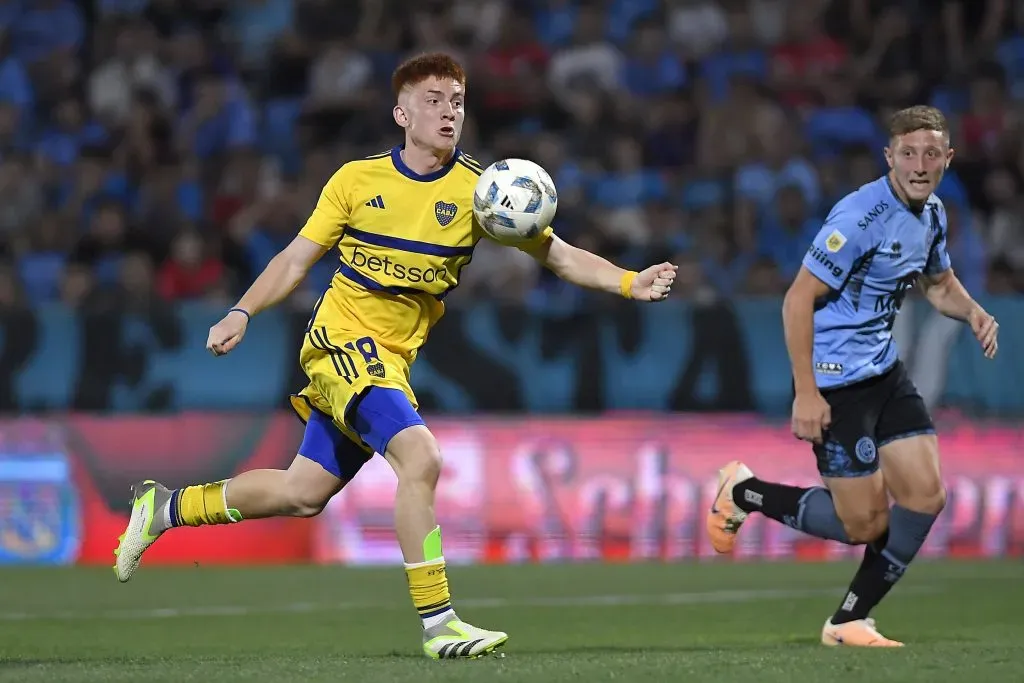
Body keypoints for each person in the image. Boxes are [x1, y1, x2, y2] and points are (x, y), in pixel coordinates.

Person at [112, 52, 678, 660]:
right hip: (338, 342)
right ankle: (440, 625)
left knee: (302, 493)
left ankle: (164, 508)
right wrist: (242, 310)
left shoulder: (482, 195)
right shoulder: (356, 181)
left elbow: (561, 256)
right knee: (421, 456)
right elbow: (294, 260)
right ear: (402, 113)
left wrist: (628, 281)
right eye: (434, 99)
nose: (448, 111)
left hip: (390, 363)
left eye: (457, 101)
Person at [705, 105, 999, 647]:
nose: (919, 163)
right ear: (889, 157)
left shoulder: (933, 213)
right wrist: (808, 393)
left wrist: (974, 311)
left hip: (884, 374)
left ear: (948, 159)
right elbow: (797, 299)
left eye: (930, 153)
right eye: (907, 153)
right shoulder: (859, 218)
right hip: (836, 384)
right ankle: (745, 492)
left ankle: (847, 621)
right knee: (863, 527)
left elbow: (937, 283)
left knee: (925, 497)